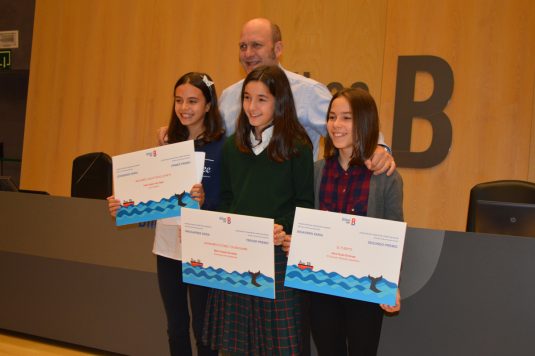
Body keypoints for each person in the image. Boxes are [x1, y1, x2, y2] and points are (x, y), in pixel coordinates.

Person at [158, 18, 395, 175]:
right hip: (241, 209)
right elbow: (209, 139)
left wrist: (379, 147)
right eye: (242, 46)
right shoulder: (230, 96)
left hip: (288, 214)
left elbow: (346, 126)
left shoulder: (308, 92)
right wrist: (175, 133)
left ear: (278, 49)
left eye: (257, 45)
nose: (248, 54)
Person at [108, 72, 224, 356]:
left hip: (203, 246)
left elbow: (229, 199)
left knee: (203, 329)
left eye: (193, 101)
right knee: (175, 326)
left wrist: (206, 202)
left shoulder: (224, 147)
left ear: (209, 105)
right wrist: (123, 205)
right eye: (179, 100)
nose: (184, 107)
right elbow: (150, 192)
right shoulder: (168, 144)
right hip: (168, 246)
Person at [202, 65, 314, 355]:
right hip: (238, 256)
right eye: (247, 98)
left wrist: (283, 227)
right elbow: (226, 199)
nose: (252, 107)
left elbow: (304, 203)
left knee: (277, 346)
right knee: (239, 344)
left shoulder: (297, 147)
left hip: (277, 258)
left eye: (261, 99)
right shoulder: (231, 147)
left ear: (280, 102)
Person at [284, 87, 402, 355]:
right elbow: (305, 222)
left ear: (365, 122)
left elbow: (395, 234)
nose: (336, 125)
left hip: (365, 287)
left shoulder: (386, 177)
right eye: (332, 116)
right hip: (321, 287)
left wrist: (392, 283)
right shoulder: (316, 172)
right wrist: (296, 242)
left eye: (346, 118)